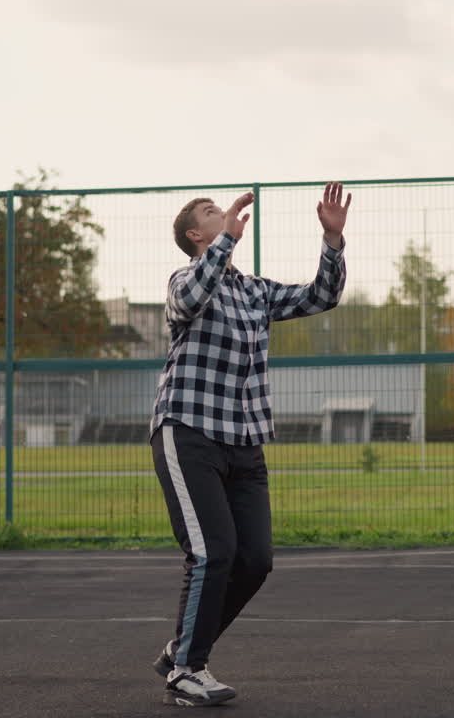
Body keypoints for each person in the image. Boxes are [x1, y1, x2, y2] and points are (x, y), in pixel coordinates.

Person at [149, 183, 350, 706]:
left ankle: (181, 650)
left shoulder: (254, 291)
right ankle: (187, 670)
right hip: (188, 431)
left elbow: (320, 296)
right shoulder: (184, 281)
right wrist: (228, 241)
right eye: (210, 211)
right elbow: (192, 297)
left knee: (255, 560)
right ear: (196, 235)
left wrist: (332, 241)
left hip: (244, 440)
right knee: (212, 552)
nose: (223, 212)